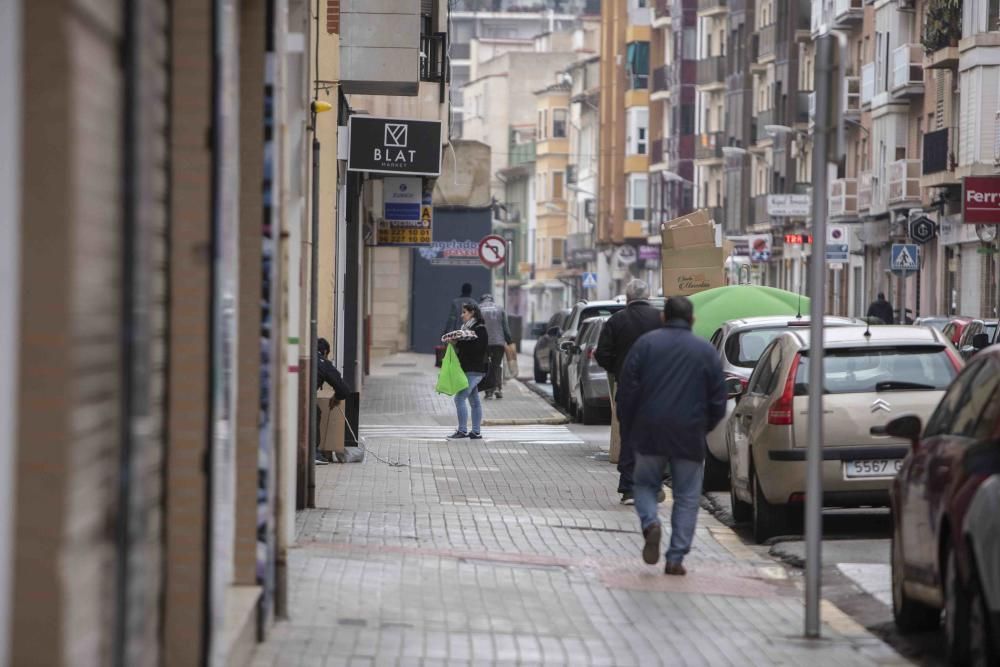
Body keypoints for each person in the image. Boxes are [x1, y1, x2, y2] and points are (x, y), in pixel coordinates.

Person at [616, 296, 727, 575]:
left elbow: (627, 391)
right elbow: (718, 398)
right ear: (692, 320)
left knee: (643, 485)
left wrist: (628, 426)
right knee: (687, 496)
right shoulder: (705, 351)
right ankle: (676, 557)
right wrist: (705, 426)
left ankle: (650, 522)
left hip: (649, 431)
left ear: (664, 318)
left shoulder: (645, 345)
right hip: (689, 434)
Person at [594, 279, 663, 505]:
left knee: (630, 435)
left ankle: (629, 488)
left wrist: (617, 369)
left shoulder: (617, 320)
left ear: (627, 296)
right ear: (649, 295)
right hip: (656, 388)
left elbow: (602, 353)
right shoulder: (660, 319)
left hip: (628, 387)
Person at [444, 303, 489, 440]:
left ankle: (462, 431)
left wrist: (459, 342)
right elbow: (464, 350)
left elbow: (477, 350)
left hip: (474, 370)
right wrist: (454, 343)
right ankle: (476, 432)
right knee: (474, 401)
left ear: (472, 313)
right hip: (469, 369)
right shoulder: (466, 329)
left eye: (464, 312)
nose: (461, 315)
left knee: (459, 398)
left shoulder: (480, 329)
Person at [316, 338, 351, 465]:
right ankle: (313, 452)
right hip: (302, 397)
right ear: (325, 352)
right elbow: (344, 389)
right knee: (313, 412)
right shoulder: (323, 363)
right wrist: (337, 398)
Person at [478, 294, 513, 399]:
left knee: (486, 366)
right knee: (496, 365)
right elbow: (505, 327)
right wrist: (509, 340)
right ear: (492, 300)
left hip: (483, 343)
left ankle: (488, 391)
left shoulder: (478, 309)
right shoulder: (500, 308)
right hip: (498, 342)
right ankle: (497, 388)